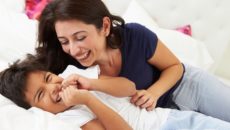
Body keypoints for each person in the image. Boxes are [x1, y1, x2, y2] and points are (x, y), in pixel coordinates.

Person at [36, 0, 230, 122]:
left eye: (80, 37)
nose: (74, 49)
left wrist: (153, 93)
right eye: (64, 42)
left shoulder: (135, 36)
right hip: (164, 118)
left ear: (104, 26)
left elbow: (174, 66)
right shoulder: (69, 68)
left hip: (188, 86)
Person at [1, 57, 230, 130]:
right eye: (41, 95)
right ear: (35, 109)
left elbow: (128, 87)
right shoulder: (66, 119)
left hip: (171, 119)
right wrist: (88, 100)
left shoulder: (76, 75)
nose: (54, 88)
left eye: (49, 79)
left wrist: (92, 84)